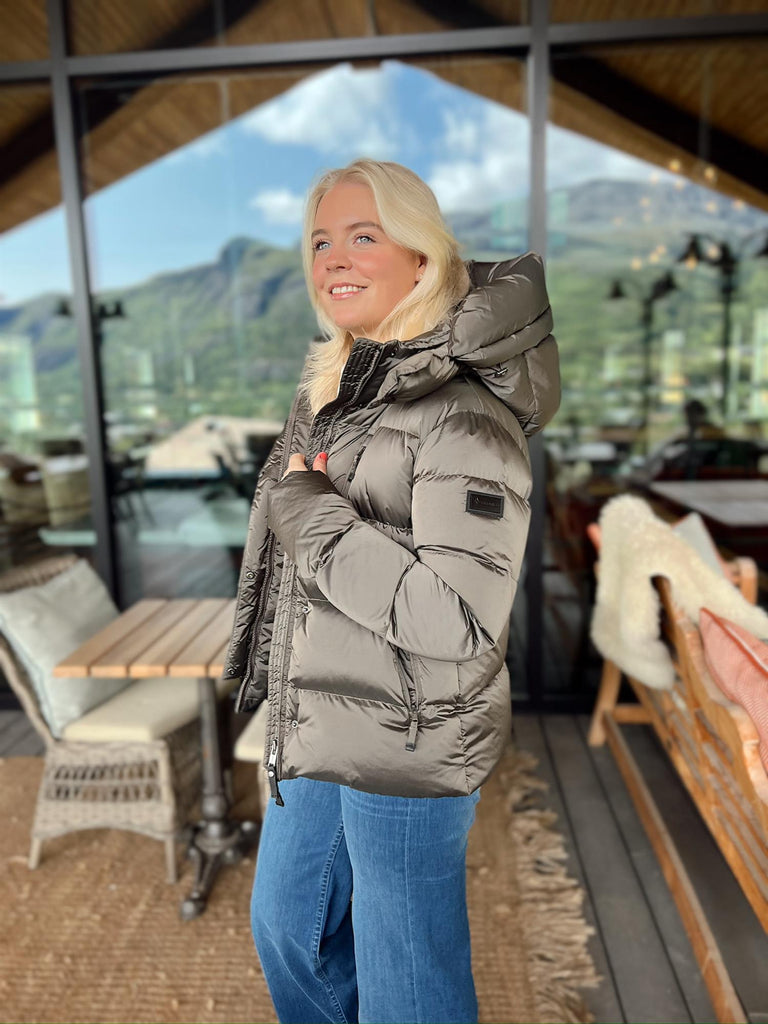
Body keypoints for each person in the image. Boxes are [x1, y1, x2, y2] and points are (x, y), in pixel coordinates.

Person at [221, 158, 560, 1024]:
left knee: (407, 984)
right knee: (288, 930)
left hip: (409, 738)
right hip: (319, 717)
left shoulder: (462, 415)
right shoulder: (337, 395)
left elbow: (457, 616)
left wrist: (307, 509)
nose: (334, 256)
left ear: (421, 257)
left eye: (363, 235)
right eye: (320, 240)